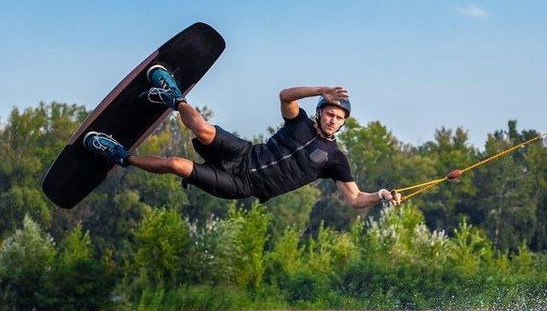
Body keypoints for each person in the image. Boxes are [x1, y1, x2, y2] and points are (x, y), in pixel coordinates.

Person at [83, 64, 401, 208]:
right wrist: (320, 89)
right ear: (320, 112)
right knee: (203, 128)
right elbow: (285, 95)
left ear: (343, 124)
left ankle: (121, 156)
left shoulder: (335, 159)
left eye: (339, 118)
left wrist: (380, 196)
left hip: (242, 186)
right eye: (330, 113)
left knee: (177, 164)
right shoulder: (299, 123)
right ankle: (174, 97)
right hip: (245, 154)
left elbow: (355, 198)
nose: (333, 120)